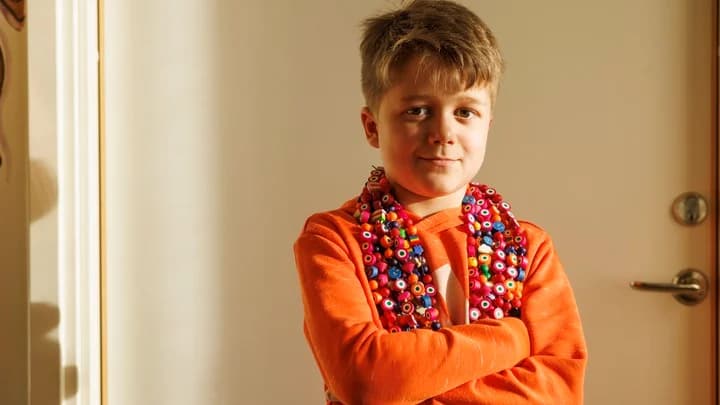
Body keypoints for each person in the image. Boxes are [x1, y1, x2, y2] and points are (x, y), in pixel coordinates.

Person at [293, 1, 587, 403]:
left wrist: (414, 382)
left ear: (488, 126)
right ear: (372, 126)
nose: (443, 132)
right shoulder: (334, 240)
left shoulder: (528, 247)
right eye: (418, 110)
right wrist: (512, 337)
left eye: (465, 111)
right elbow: (367, 381)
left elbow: (559, 390)